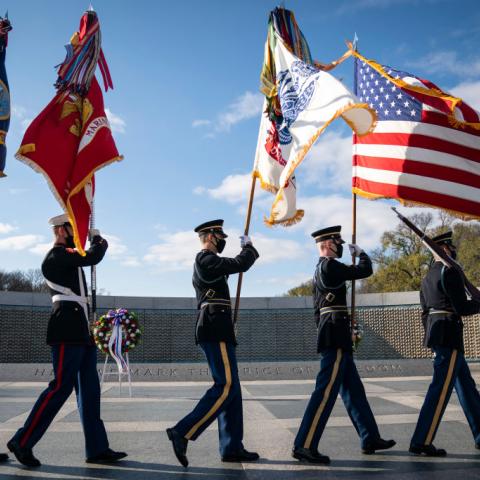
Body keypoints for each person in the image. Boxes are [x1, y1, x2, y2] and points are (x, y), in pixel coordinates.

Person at [7, 214, 127, 467]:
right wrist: (98, 239)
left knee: (90, 391)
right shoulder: (56, 256)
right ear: (61, 230)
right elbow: (92, 256)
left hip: (81, 330)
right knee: (60, 387)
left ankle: (96, 448)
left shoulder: (68, 256)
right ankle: (23, 440)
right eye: (74, 228)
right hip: (66, 329)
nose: (78, 233)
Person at [292, 226, 396, 464]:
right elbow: (365, 271)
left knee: (354, 392)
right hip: (335, 333)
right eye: (337, 240)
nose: (339, 244)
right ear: (327, 244)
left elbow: (318, 310)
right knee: (325, 391)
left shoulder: (319, 270)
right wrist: (362, 254)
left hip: (333, 330)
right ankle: (304, 444)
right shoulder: (329, 265)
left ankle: (370, 437)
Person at [166, 219, 260, 467]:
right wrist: (248, 249)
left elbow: (234, 267)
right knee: (226, 385)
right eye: (219, 236)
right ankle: (183, 431)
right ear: (209, 237)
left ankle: (231, 446)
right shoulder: (204, 259)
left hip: (220, 326)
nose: (222, 240)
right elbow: (240, 264)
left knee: (233, 389)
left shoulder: (212, 263)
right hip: (213, 327)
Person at [410, 231, 480, 456]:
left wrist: (432, 337)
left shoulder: (427, 276)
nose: (453, 251)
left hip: (439, 334)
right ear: (444, 249)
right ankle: (421, 440)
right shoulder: (449, 271)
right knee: (439, 391)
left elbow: (424, 314)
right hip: (449, 334)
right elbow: (461, 307)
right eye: (450, 248)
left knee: (467, 388)